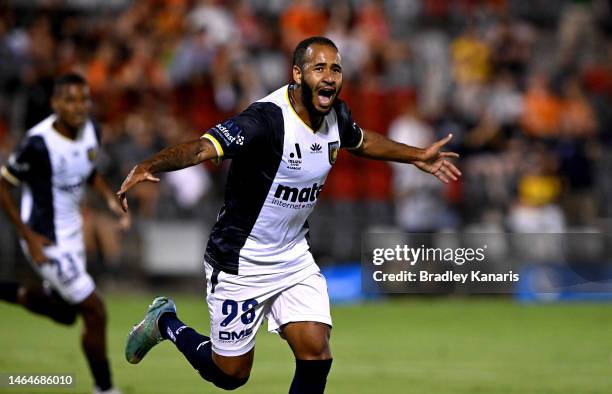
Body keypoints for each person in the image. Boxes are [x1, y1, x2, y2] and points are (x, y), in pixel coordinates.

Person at [118, 36, 460, 393]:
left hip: (293, 256)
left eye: (336, 69)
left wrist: (416, 156)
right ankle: (165, 323)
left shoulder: (336, 115)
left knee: (316, 352)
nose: (329, 76)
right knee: (230, 375)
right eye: (319, 68)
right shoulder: (266, 120)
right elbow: (204, 147)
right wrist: (149, 164)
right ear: (297, 73)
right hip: (241, 260)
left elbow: (361, 141)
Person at [0, 73, 128, 394]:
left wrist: (111, 199)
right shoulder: (38, 143)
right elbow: (3, 186)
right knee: (95, 310)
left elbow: (90, 172)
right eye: (70, 100)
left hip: (73, 234)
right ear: (56, 103)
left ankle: (9, 292)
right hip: (46, 239)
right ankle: (105, 388)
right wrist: (28, 236)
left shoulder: (92, 131)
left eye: (83, 99)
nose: (78, 106)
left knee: (65, 313)